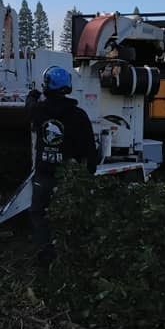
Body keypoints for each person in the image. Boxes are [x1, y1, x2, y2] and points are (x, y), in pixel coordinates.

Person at [25, 65, 97, 263]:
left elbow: (29, 107)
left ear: (47, 86)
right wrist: (88, 175)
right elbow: (90, 151)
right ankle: (71, 255)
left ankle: (46, 254)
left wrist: (32, 94)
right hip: (68, 177)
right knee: (68, 215)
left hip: (44, 175)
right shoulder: (79, 116)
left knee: (38, 212)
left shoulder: (39, 110)